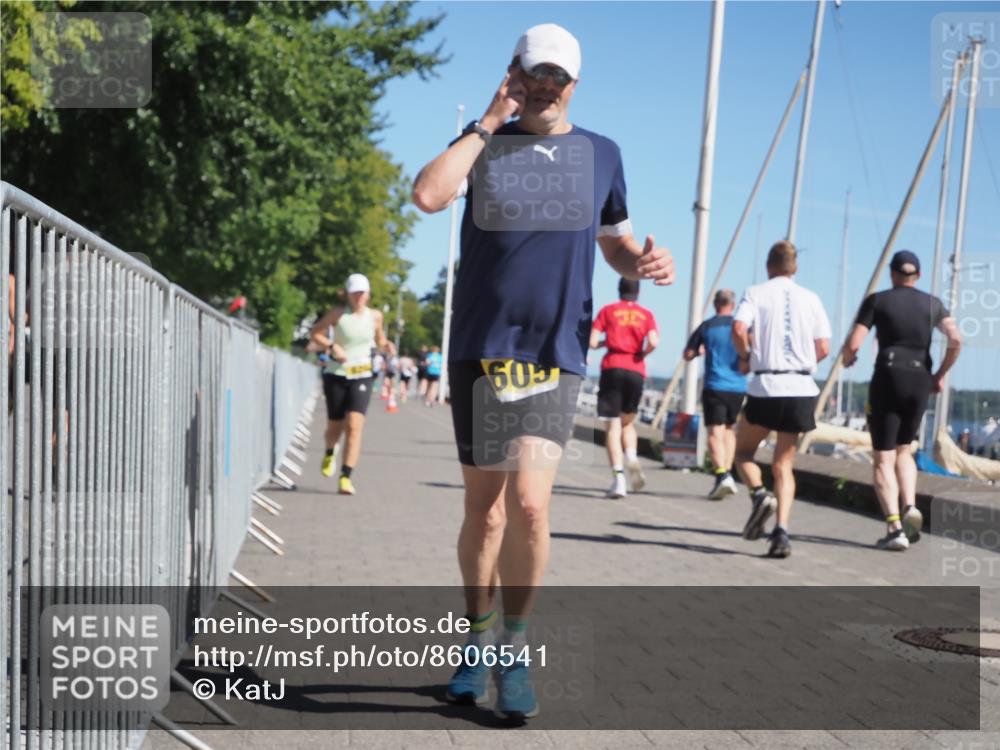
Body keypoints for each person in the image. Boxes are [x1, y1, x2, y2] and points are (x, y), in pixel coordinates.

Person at [412, 23, 675, 719]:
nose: (546, 89)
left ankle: (515, 648)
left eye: (557, 79)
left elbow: (615, 244)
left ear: (575, 84)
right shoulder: (487, 143)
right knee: (486, 511)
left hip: (554, 353)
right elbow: (428, 196)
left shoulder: (602, 155)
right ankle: (474, 639)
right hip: (481, 347)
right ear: (514, 74)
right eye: (534, 76)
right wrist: (485, 120)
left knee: (530, 504)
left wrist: (642, 263)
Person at [843, 250, 961, 551]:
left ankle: (895, 527)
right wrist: (940, 374)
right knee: (905, 450)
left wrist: (848, 357)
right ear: (917, 276)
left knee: (884, 456)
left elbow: (854, 342)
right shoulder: (933, 304)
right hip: (920, 378)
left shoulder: (878, 300)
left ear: (893, 274)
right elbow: (956, 338)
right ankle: (910, 505)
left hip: (888, 377)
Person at [731, 241, 831, 559]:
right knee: (783, 465)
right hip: (801, 387)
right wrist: (804, 361)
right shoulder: (812, 298)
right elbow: (824, 347)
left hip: (767, 385)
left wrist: (746, 356)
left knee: (743, 451)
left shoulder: (756, 293)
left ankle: (759, 495)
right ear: (795, 267)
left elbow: (738, 327)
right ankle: (782, 532)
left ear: (768, 265)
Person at [308, 273, 393, 495]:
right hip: (336, 374)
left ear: (368, 294)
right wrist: (331, 346)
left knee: (354, 426)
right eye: (354, 293)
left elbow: (380, 339)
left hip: (362, 375)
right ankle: (329, 451)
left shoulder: (375, 316)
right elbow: (315, 332)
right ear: (348, 294)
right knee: (335, 427)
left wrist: (387, 345)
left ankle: (345, 476)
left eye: (362, 293)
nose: (358, 297)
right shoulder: (338, 314)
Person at [589, 277, 659, 499]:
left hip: (613, 367)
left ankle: (618, 479)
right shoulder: (646, 315)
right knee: (628, 422)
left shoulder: (608, 311)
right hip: (635, 369)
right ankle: (631, 455)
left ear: (619, 290)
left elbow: (591, 341)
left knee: (612, 427)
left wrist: (605, 343)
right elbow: (654, 341)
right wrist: (643, 353)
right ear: (638, 292)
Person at [684, 289, 747, 500]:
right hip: (738, 387)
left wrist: (699, 352)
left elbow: (688, 353)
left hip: (715, 385)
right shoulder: (741, 327)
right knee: (729, 430)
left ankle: (721, 475)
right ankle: (727, 474)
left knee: (714, 432)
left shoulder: (707, 326)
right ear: (733, 304)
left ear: (714, 304)